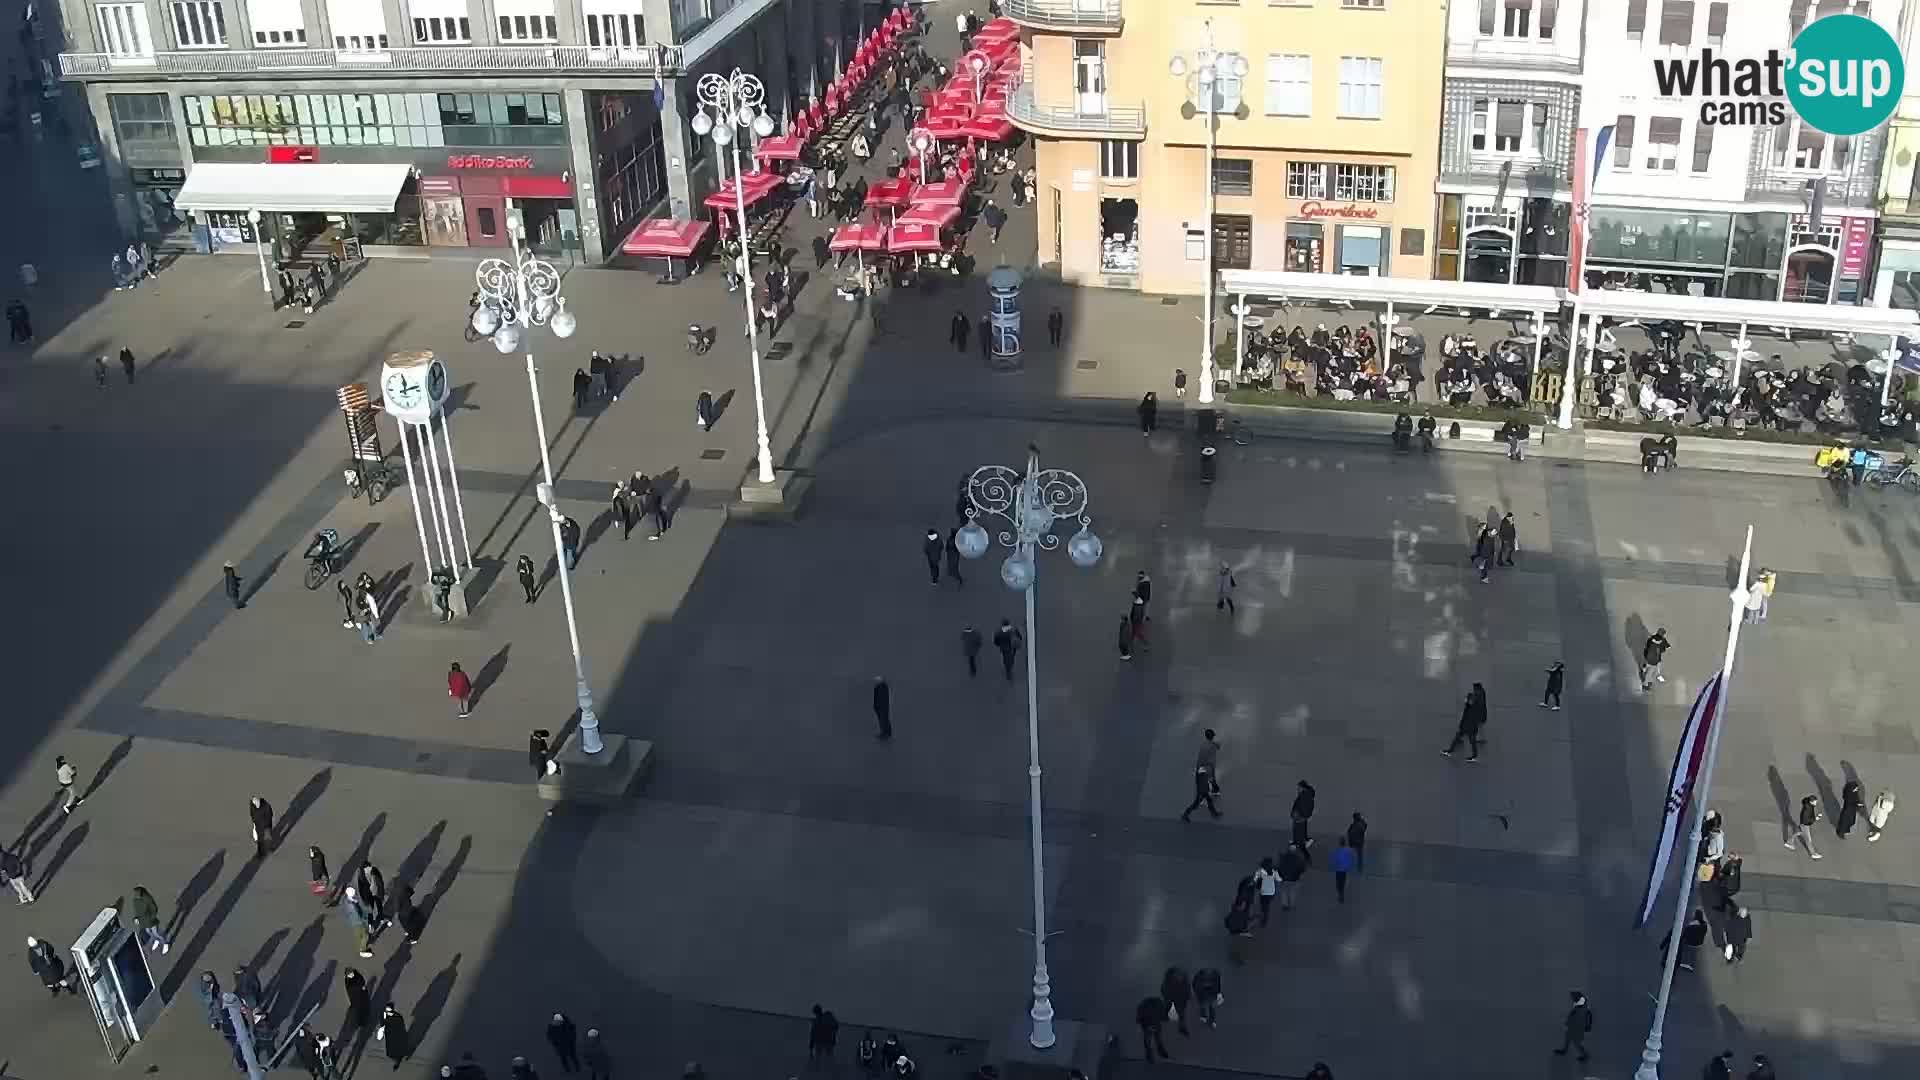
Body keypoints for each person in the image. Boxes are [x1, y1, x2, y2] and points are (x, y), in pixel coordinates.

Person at [1181, 729, 1223, 822]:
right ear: (1212, 736)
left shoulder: (1204, 745)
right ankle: (1186, 814)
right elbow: (1218, 746)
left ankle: (1214, 813)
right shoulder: (1210, 746)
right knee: (1199, 800)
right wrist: (1208, 775)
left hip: (1202, 773)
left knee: (1206, 796)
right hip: (1203, 775)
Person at [1443, 683, 1487, 761]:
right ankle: (1473, 755)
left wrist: (1467, 700)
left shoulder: (1475, 698)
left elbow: (1470, 704)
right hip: (1472, 722)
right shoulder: (1481, 697)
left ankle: (1450, 751)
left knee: (1463, 736)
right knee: (1468, 738)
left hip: (1468, 722)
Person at [128, 885, 170, 953]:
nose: (136, 895)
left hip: (151, 921)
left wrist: (151, 918)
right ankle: (157, 940)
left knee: (156, 933)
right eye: (135, 894)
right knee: (149, 933)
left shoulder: (147, 898)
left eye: (137, 894)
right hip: (144, 922)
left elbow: (154, 909)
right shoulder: (135, 900)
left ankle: (165, 943)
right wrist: (136, 918)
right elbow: (137, 911)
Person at [1554, 991, 1592, 1062]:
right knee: (1568, 1038)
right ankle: (1565, 1050)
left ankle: (1585, 1055)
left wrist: (1588, 1025)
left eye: (1573, 997)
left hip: (1578, 1027)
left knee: (1576, 1042)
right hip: (1573, 1026)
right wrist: (1568, 1022)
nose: (1572, 999)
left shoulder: (1583, 1007)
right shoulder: (1579, 1006)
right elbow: (1573, 1015)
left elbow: (1584, 1016)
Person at [1133, 995, 1169, 1061]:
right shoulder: (1159, 1004)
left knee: (1150, 1036)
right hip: (1149, 1020)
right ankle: (1156, 1051)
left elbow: (1140, 1015)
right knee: (1155, 1036)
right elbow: (1164, 1017)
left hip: (1147, 1020)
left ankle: (1151, 1052)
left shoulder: (1146, 1004)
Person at [343, 885, 375, 957]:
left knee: (358, 935)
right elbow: (358, 916)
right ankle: (362, 950)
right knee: (365, 935)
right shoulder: (352, 906)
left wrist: (355, 902)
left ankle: (361, 945)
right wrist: (366, 919)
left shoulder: (347, 900)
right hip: (358, 922)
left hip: (353, 922)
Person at [1159, 967, 1192, 1037]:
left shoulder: (1184, 982)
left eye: (1180, 977)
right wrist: (1167, 997)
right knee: (1167, 1010)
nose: (1179, 978)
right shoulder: (1168, 982)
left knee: (1181, 1014)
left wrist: (1188, 996)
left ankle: (1182, 1027)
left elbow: (1187, 989)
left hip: (1180, 1000)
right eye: (1177, 976)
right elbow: (1163, 989)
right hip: (1171, 999)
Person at [1223, 896, 1254, 966]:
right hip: (1240, 932)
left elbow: (1226, 921)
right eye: (1243, 905)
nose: (1244, 906)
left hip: (1233, 932)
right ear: (1239, 906)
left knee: (1235, 945)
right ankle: (1239, 959)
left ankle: (1234, 955)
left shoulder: (1233, 913)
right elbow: (1245, 925)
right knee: (1241, 947)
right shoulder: (1242, 915)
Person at [379, 1003, 411, 1069]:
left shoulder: (386, 1016)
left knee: (392, 1048)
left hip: (391, 1035)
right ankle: (398, 1058)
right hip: (394, 1035)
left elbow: (382, 1024)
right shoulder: (397, 1016)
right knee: (396, 1047)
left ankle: (397, 1058)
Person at [1790, 793, 1823, 858]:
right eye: (1815, 802)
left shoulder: (1809, 805)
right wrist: (1815, 819)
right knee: (1808, 840)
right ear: (1811, 802)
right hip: (1805, 825)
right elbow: (1806, 820)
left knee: (1798, 832)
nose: (1816, 803)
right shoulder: (1808, 809)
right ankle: (1813, 854)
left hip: (1803, 824)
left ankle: (1789, 842)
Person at [1275, 843, 1307, 910]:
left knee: (1284, 891)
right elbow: (1302, 868)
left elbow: (1278, 867)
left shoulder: (1283, 857)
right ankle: (1292, 904)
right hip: (1294, 878)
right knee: (1293, 891)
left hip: (1284, 878)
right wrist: (1301, 875)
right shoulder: (1299, 858)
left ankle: (1285, 904)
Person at [1290, 780, 1316, 853]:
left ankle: (1298, 844)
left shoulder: (1304, 796)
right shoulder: (1306, 795)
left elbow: (1302, 807)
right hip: (1301, 817)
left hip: (1300, 817)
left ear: (1303, 787)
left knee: (1298, 832)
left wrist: (1299, 815)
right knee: (1301, 831)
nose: (1298, 789)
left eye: (1299, 787)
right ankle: (1301, 842)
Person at [1252, 857, 1279, 925]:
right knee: (1266, 906)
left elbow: (1256, 880)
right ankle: (1264, 919)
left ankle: (1259, 915)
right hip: (1270, 892)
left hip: (1262, 891)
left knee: (1260, 904)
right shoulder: (1274, 871)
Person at [1329, 838, 1357, 902]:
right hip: (1344, 869)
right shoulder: (1348, 850)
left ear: (1339, 843)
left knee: (1338, 881)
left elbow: (1333, 859)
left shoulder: (1336, 850)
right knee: (1343, 880)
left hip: (1338, 869)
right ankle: (1341, 891)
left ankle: (1340, 892)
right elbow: (1352, 857)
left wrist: (1332, 866)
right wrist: (1351, 865)